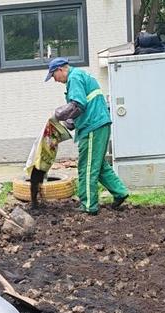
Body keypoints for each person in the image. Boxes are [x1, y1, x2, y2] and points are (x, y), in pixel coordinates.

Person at [46, 57, 129, 215]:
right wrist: (70, 121)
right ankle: (120, 192)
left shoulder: (74, 78)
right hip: (99, 124)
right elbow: (82, 106)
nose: (55, 80)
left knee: (87, 167)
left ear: (60, 70)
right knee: (99, 165)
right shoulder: (82, 75)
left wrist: (58, 115)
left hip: (92, 126)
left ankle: (89, 205)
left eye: (53, 76)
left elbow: (78, 104)